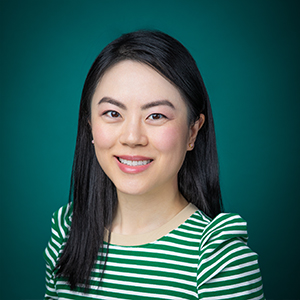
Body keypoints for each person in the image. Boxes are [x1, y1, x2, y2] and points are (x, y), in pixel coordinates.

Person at [44, 30, 264, 299]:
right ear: (89, 125)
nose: (132, 138)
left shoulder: (219, 256)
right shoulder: (66, 231)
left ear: (193, 132)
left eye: (156, 115)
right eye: (112, 113)